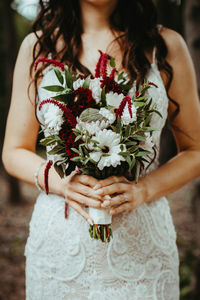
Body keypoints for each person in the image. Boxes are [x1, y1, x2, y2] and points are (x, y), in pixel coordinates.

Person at [2, 0, 200, 299]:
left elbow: (196, 150)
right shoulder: (38, 46)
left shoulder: (165, 45)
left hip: (143, 252)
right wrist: (61, 183)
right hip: (62, 249)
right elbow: (14, 151)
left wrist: (143, 190)